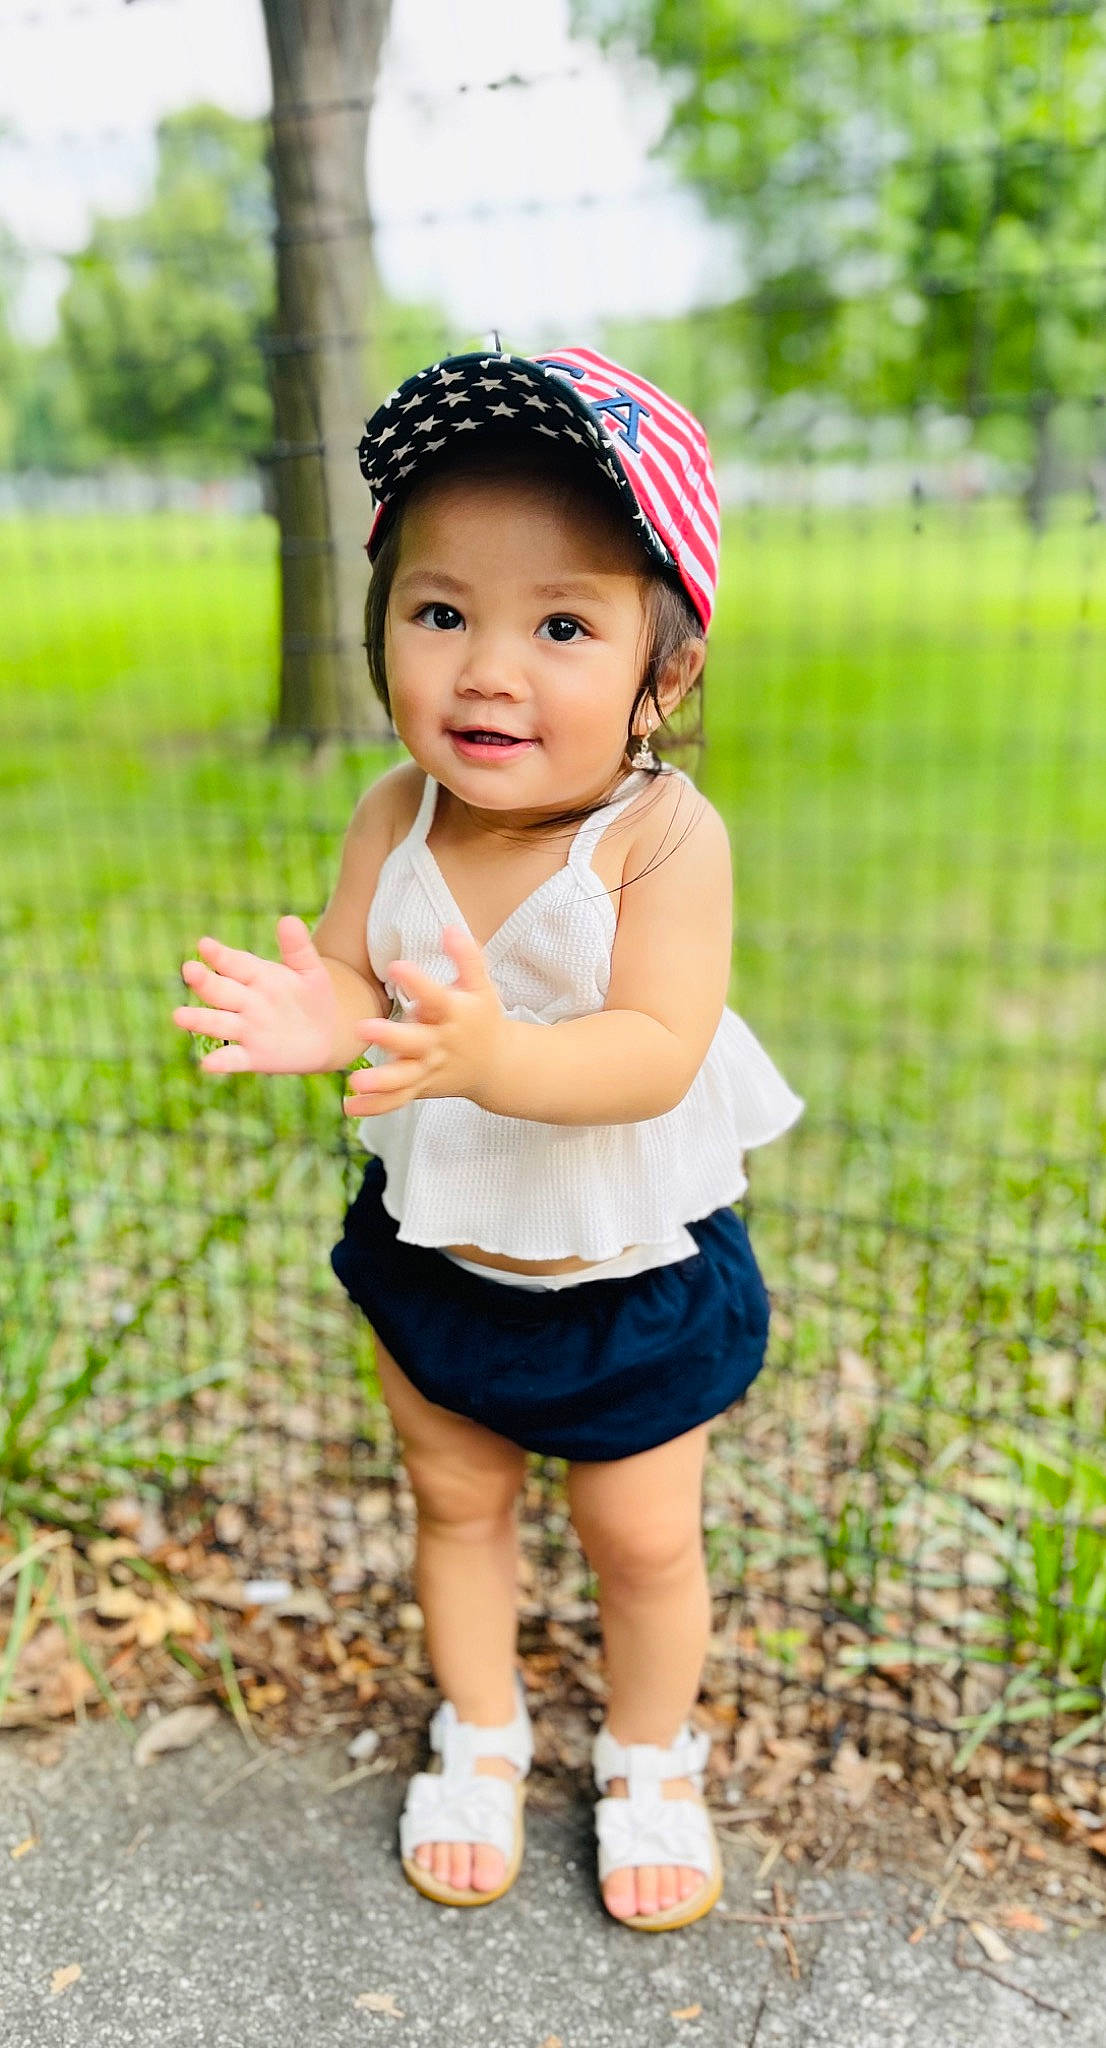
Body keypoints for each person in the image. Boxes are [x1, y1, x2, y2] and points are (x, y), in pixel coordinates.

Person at [173, 343, 804, 1934]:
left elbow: (655, 1051)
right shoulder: (393, 813)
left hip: (624, 1272)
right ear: (383, 624)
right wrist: (321, 1007)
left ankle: (651, 1758)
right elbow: (344, 953)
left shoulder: (662, 839)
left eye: (563, 625)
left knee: (641, 1539)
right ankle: (481, 1730)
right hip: (441, 1255)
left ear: (665, 671)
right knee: (452, 1502)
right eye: (439, 611)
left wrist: (493, 1053)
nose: (487, 671)